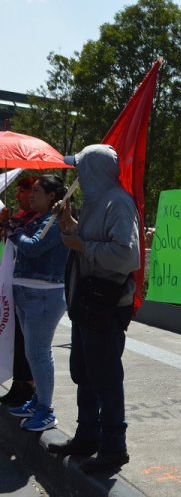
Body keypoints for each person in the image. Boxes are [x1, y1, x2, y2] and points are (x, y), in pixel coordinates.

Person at [46, 144, 140, 474]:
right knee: (85, 374)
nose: (78, 176)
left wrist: (82, 245)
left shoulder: (119, 203)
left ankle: (115, 447)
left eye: (81, 169)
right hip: (86, 302)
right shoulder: (96, 202)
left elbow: (128, 257)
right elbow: (81, 239)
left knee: (106, 378)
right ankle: (88, 436)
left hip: (105, 304)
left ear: (94, 171)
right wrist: (67, 220)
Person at [6, 175, 69, 431]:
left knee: (39, 354)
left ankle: (46, 410)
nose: (31, 195)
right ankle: (38, 400)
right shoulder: (37, 219)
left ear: (52, 196)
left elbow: (32, 248)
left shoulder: (55, 222)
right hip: (28, 294)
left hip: (44, 296)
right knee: (34, 354)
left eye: (36, 191)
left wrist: (15, 231)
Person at [0, 176, 40, 408]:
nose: (18, 196)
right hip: (12, 284)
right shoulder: (18, 217)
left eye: (23, 191)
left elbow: (28, 243)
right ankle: (19, 382)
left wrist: (11, 226)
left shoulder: (40, 218)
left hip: (32, 287)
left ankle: (30, 385)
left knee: (29, 341)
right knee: (14, 335)